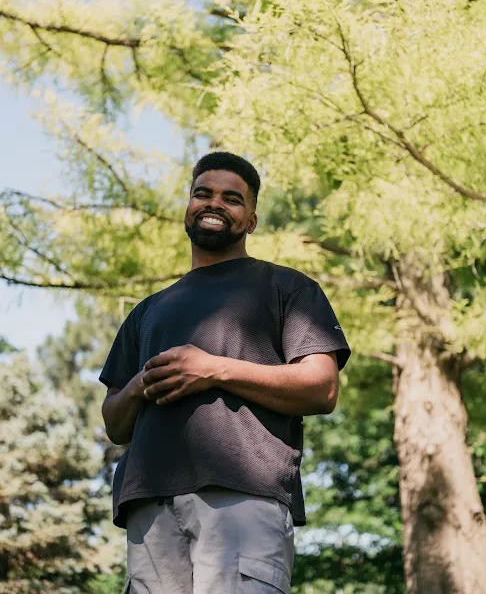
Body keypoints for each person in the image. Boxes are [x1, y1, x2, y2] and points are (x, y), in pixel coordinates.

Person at [100, 152, 351, 594]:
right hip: (148, 507)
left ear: (251, 220)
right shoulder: (147, 311)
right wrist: (141, 384)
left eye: (232, 199)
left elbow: (322, 387)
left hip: (243, 495)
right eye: (203, 193)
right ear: (188, 208)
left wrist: (213, 369)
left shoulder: (287, 287)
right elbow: (115, 424)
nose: (214, 203)